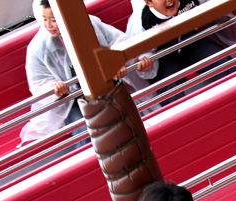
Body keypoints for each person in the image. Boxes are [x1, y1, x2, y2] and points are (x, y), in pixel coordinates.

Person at [20, 0, 151, 146]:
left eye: (54, 20)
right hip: (73, 102)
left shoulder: (90, 24)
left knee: (132, 112)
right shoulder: (38, 47)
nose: (48, 25)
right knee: (84, 129)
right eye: (45, 19)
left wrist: (118, 61)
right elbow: (39, 82)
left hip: (106, 88)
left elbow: (118, 41)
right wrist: (54, 88)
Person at [127, 0, 236, 105]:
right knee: (170, 86)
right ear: (148, 2)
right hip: (163, 54)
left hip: (191, 40)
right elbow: (141, 53)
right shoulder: (141, 22)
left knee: (220, 59)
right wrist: (146, 63)